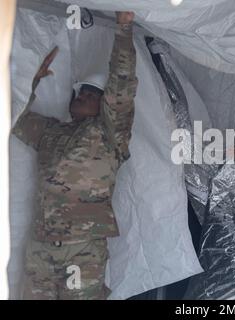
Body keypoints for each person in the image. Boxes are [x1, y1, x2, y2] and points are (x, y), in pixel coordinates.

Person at [12, 11, 138, 299]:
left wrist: (124, 29)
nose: (82, 97)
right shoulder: (50, 132)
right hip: (42, 245)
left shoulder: (109, 134)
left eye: (92, 95)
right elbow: (15, 119)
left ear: (104, 104)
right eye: (80, 94)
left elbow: (122, 86)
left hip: (82, 248)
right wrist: (29, 82)